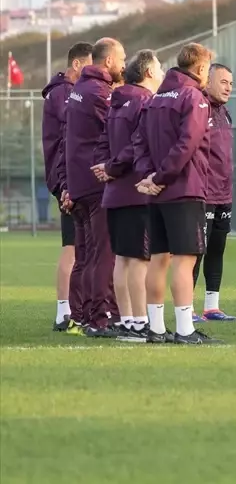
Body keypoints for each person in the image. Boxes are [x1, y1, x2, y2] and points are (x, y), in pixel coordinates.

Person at [133, 43, 222, 345]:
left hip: (156, 192)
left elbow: (139, 143)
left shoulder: (156, 98)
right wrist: (160, 177)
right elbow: (188, 144)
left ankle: (156, 328)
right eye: (208, 69)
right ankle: (185, 329)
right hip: (184, 190)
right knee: (185, 261)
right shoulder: (193, 97)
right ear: (199, 69)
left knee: (158, 259)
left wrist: (150, 177)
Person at [97, 49, 162, 342]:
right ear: (148, 72)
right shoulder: (145, 101)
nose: (162, 73)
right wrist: (113, 167)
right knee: (138, 260)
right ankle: (138, 322)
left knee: (123, 259)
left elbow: (103, 142)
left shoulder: (116, 100)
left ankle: (127, 320)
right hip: (136, 189)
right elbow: (138, 145)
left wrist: (106, 168)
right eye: (159, 68)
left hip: (114, 192)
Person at [64, 37, 126, 338]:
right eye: (122, 58)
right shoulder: (100, 94)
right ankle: (102, 318)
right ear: (109, 61)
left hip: (79, 184)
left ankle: (90, 315)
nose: (125, 65)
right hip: (96, 183)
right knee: (104, 253)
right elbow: (115, 131)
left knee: (89, 254)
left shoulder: (78, 90)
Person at [42, 41, 93, 332]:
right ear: (76, 65)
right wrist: (64, 184)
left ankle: (74, 308)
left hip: (70, 178)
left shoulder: (64, 93)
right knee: (72, 246)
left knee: (79, 246)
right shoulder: (63, 94)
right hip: (68, 180)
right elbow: (67, 141)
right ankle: (64, 311)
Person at [193, 63, 236, 322]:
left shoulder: (226, 113)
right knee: (196, 250)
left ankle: (212, 307)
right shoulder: (199, 108)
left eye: (231, 83)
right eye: (223, 82)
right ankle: (188, 308)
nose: (228, 87)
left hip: (224, 193)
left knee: (217, 249)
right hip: (203, 194)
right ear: (207, 82)